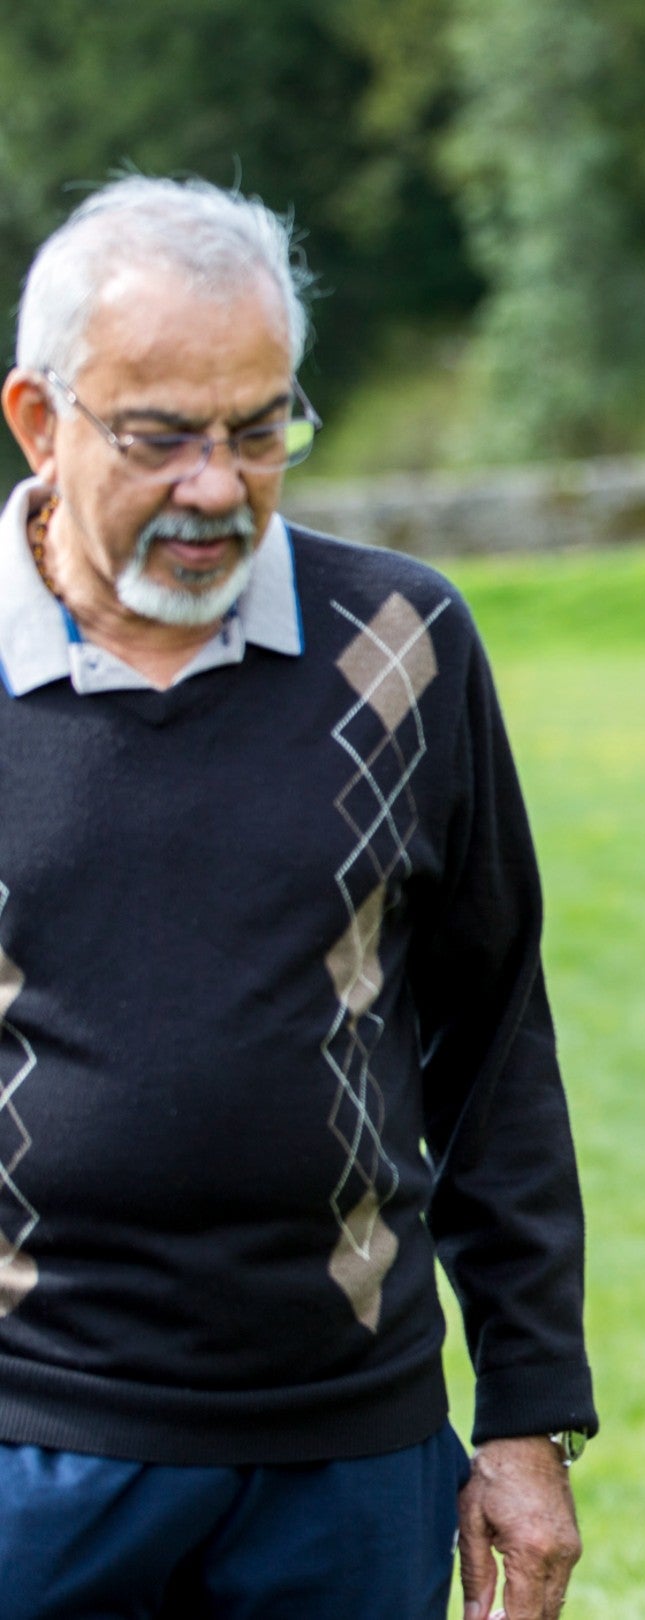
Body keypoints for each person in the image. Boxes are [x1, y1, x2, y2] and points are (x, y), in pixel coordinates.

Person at [0, 178, 593, 1619]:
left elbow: (492, 1036)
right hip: (29, 1448)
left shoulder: (404, 644)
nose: (219, 485)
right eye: (161, 439)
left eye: (261, 429)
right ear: (39, 420)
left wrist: (524, 1409)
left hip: (350, 1455)